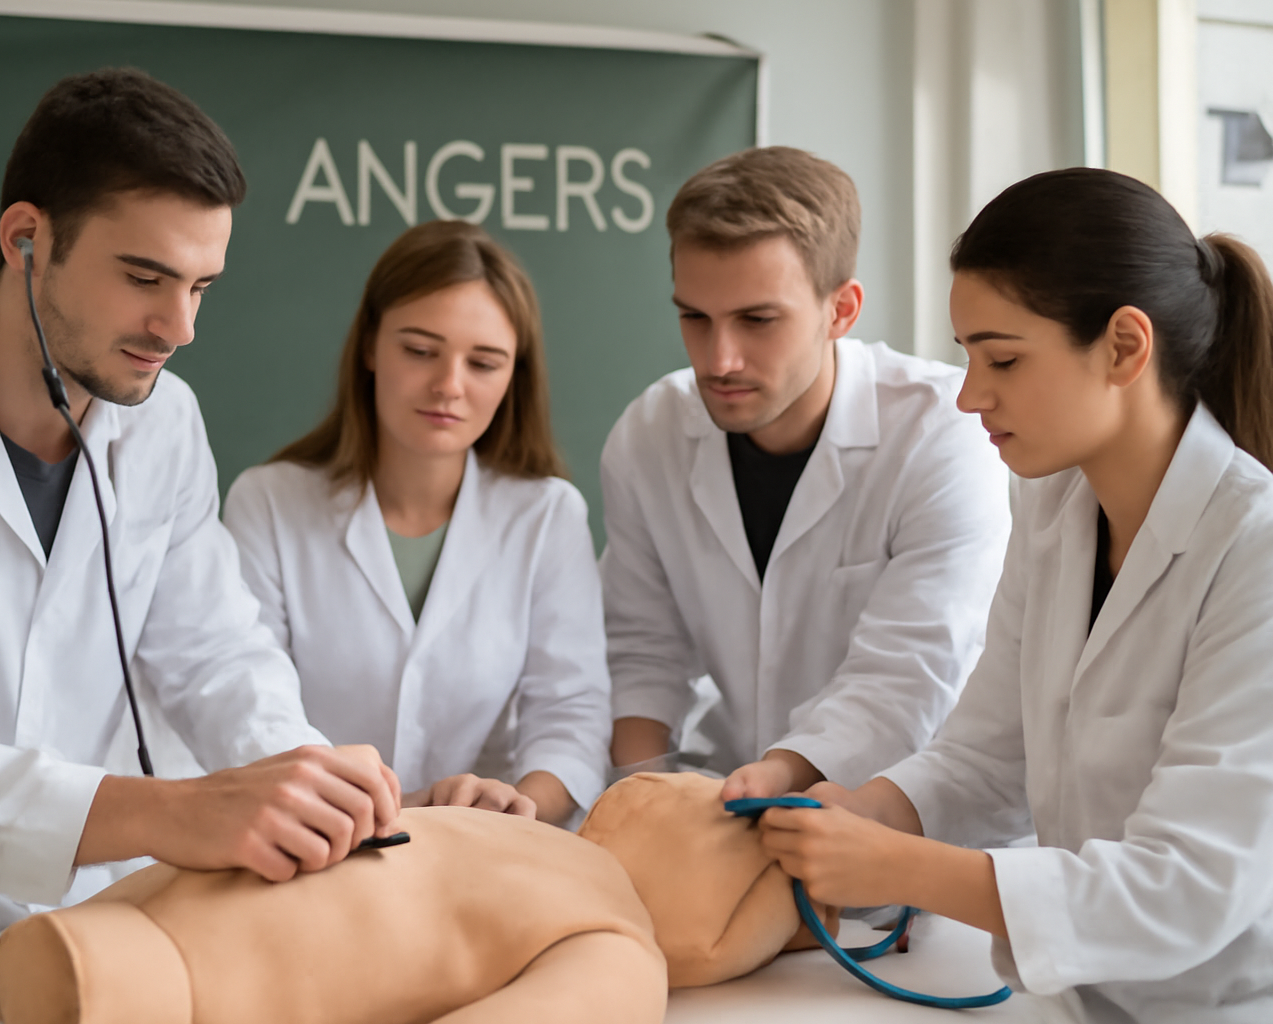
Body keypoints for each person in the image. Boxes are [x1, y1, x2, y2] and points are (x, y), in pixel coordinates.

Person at [0, 68, 400, 959]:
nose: (179, 328)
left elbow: (214, 655)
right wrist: (175, 812)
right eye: (145, 277)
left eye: (201, 287)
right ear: (26, 239)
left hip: (118, 928)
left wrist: (305, 780)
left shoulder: (165, 421)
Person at [759, 168, 1273, 1022]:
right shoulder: (1053, 504)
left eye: (1002, 358)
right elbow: (989, 755)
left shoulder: (1255, 546)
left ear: (1124, 347)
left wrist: (893, 864)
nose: (970, 396)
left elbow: (1187, 885)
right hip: (1079, 997)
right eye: (967, 356)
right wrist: (865, 810)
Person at [602, 146, 1010, 799]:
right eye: (694, 317)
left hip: (896, 807)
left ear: (841, 310)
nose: (719, 360)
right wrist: (641, 799)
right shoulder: (650, 434)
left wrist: (768, 787)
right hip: (728, 792)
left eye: (757, 320)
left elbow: (906, 675)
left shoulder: (942, 432)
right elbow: (643, 653)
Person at [222, 220, 610, 827]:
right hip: (313, 842)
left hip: (483, 848)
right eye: (421, 351)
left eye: (484, 363)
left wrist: (516, 807)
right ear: (370, 347)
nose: (449, 386)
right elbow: (247, 708)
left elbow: (571, 717)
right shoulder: (268, 503)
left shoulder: (547, 515)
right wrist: (378, 810)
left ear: (514, 376)